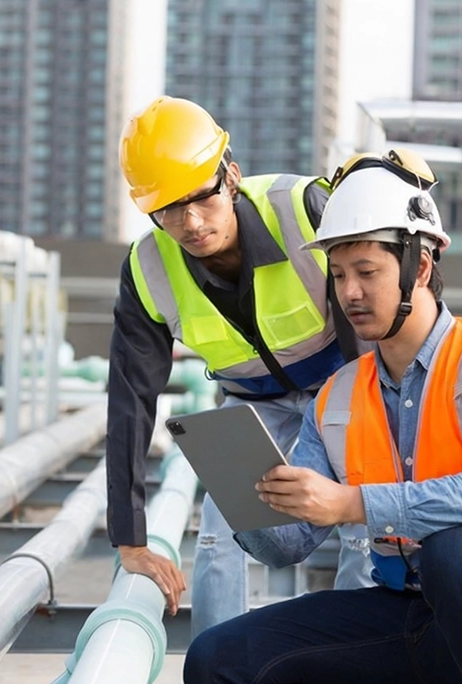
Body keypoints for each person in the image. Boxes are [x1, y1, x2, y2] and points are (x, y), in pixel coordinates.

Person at [182, 157, 462, 684]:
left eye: (367, 272)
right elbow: (288, 546)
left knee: (455, 550)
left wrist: (352, 503)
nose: (349, 292)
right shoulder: (337, 396)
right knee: (217, 656)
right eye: (339, 274)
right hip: (412, 611)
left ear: (420, 268)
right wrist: (249, 495)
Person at [106, 96, 375, 637]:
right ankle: (218, 662)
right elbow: (130, 399)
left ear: (230, 176)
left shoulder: (304, 209)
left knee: (365, 524)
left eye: (200, 198)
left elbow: (379, 304)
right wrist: (130, 539)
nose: (189, 223)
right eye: (167, 210)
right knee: (219, 527)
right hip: (253, 405)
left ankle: (359, 655)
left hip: (345, 386)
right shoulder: (147, 267)